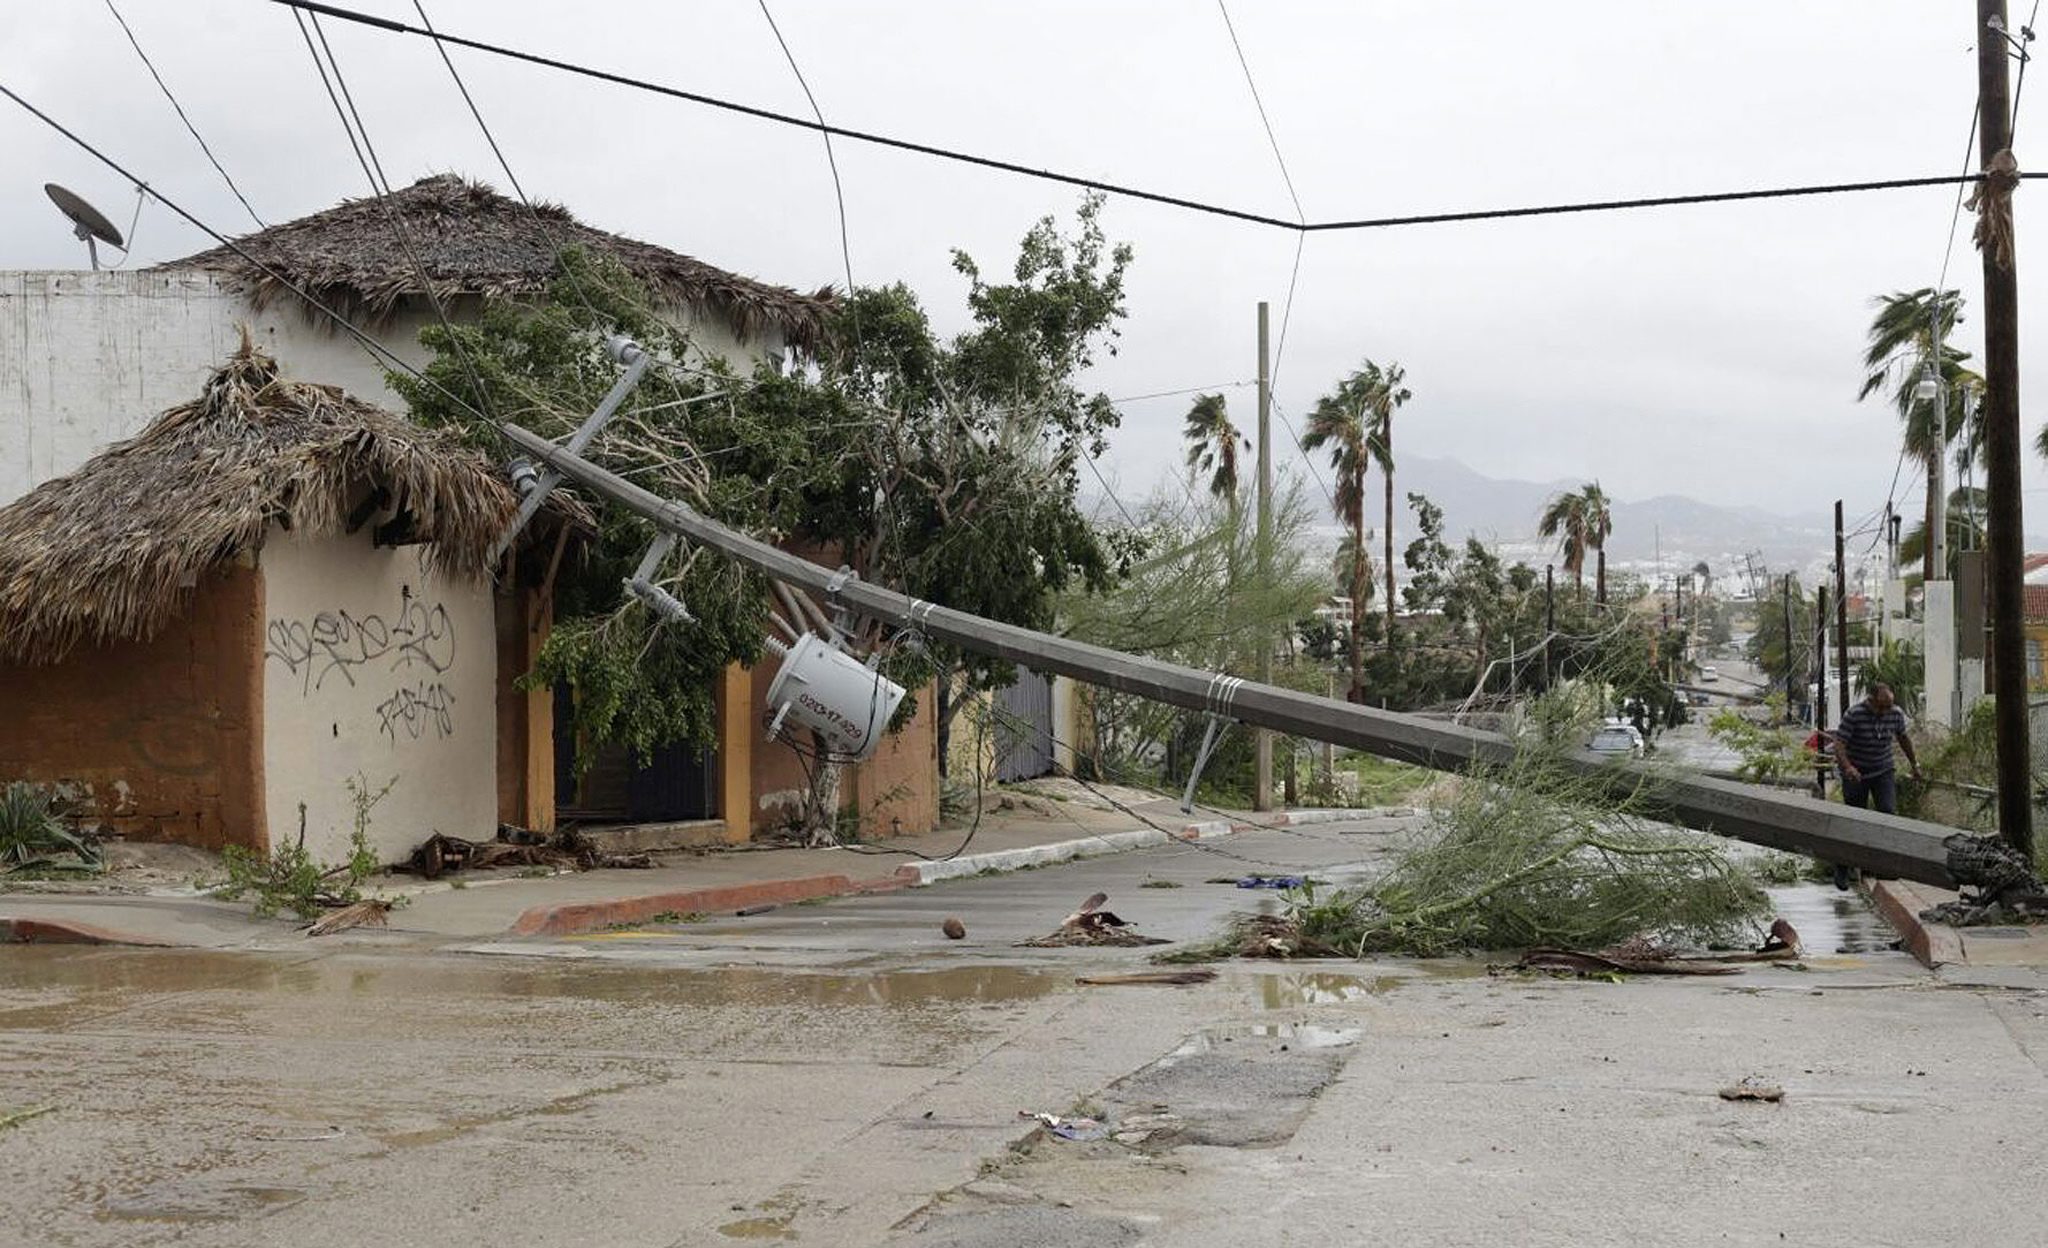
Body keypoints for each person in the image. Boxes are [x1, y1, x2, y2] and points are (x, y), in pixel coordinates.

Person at [1820, 683, 1921, 889]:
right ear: (1871, 700)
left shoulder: (1895, 713)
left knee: (1887, 813)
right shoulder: (1854, 714)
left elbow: (1903, 738)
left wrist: (1914, 764)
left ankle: (1880, 865)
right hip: (1856, 772)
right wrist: (1848, 767)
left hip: (1883, 769)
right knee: (1855, 819)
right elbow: (1839, 745)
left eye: (1889, 706)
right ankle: (1842, 867)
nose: (1886, 711)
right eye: (1882, 706)